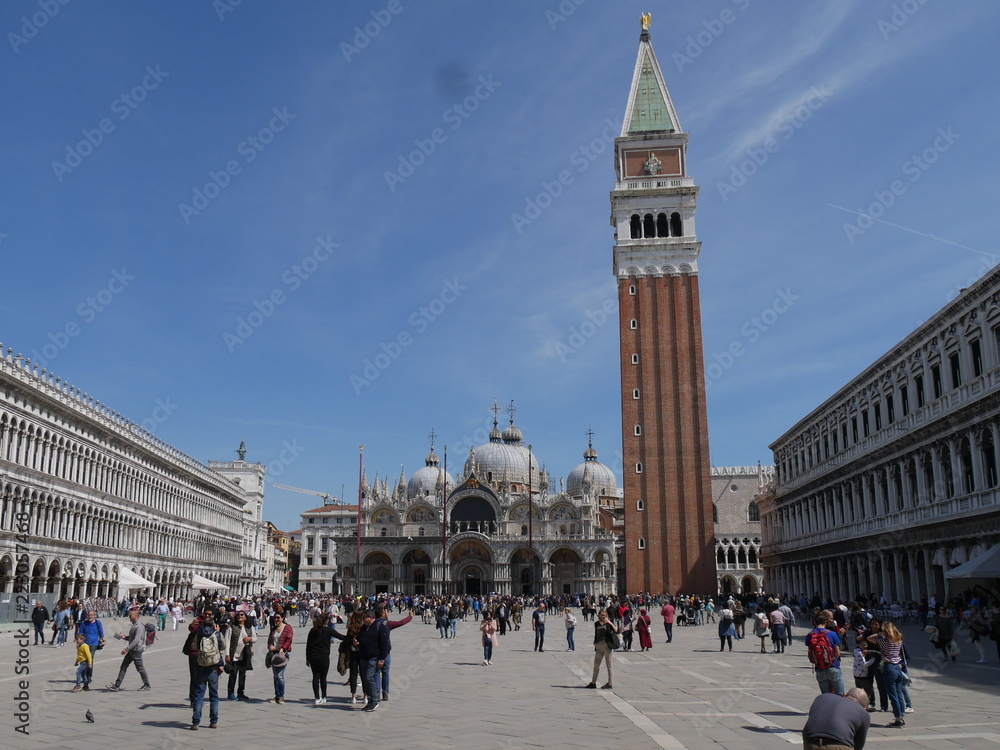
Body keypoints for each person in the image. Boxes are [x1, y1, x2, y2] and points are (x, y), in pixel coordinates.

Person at [801, 688, 871, 749]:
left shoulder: (822, 697)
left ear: (845, 695)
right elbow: (859, 743)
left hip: (811, 742)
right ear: (864, 707)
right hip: (839, 745)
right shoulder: (863, 712)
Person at [190, 610, 225, 730]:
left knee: (199, 695)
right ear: (213, 625)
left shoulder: (199, 634)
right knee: (214, 695)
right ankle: (213, 721)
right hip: (213, 668)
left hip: (201, 666)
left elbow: (194, 647)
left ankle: (196, 722)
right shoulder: (217, 634)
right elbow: (223, 646)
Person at [867, 621, 906, 727]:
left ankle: (898, 719)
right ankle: (901, 715)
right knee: (899, 693)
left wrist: (879, 634)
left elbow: (869, 638)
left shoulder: (884, 641)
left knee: (892, 695)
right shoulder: (898, 640)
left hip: (889, 668)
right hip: (898, 667)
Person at [106, 608, 151, 692]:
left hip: (136, 650)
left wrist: (126, 649)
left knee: (140, 668)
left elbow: (136, 640)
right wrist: (124, 637)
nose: (129, 616)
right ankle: (117, 685)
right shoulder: (134, 625)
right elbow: (132, 638)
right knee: (124, 666)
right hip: (132, 650)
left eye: (131, 615)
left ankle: (147, 684)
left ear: (136, 616)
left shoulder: (139, 626)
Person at [305, 612, 344, 705]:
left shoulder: (312, 630)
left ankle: (317, 697)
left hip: (313, 656)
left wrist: (307, 658)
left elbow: (308, 645)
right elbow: (341, 637)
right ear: (327, 621)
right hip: (324, 656)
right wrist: (352, 637)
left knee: (315, 676)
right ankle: (324, 696)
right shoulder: (328, 630)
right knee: (323, 677)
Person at [356, 610, 389, 712]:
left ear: (369, 617)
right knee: (365, 679)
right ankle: (370, 700)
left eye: (364, 618)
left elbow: (385, 645)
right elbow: (360, 638)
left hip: (373, 657)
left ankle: (374, 700)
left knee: (369, 677)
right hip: (363, 656)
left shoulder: (380, 627)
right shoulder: (364, 628)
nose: (362, 620)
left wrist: (382, 659)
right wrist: (357, 642)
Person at [807, 611, 845, 696]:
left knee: (826, 695)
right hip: (833, 666)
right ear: (825, 622)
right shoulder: (832, 634)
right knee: (840, 694)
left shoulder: (810, 635)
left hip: (819, 667)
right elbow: (837, 653)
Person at [225, 609, 257, 701]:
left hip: (245, 655)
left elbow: (255, 638)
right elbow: (227, 641)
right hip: (234, 654)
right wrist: (227, 654)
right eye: (238, 615)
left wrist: (250, 639)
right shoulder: (232, 627)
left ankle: (241, 692)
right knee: (233, 674)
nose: (240, 616)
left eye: (242, 615)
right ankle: (230, 693)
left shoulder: (249, 627)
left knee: (242, 674)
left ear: (245, 617)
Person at [585, 609, 618, 689]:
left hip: (607, 645)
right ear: (598, 615)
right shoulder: (596, 624)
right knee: (596, 665)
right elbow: (596, 633)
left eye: (604, 615)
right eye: (601, 615)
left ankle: (610, 683)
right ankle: (593, 682)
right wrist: (595, 642)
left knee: (609, 665)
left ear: (606, 615)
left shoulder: (609, 623)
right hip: (599, 645)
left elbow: (616, 630)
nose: (602, 616)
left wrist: (609, 622)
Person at [266, 611, 293, 704]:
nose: (276, 619)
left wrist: (283, 648)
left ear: (282, 618)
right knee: (275, 676)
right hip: (274, 654)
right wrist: (270, 646)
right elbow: (269, 640)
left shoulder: (287, 628)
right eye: (275, 618)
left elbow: (289, 640)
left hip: (283, 654)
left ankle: (281, 696)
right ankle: (276, 695)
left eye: (278, 617)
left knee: (280, 676)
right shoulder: (273, 629)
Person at [78, 610, 105, 684]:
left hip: (94, 643)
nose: (90, 616)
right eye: (89, 615)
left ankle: (89, 676)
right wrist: (79, 640)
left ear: (94, 615)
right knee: (84, 660)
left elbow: (100, 631)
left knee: (90, 659)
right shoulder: (84, 623)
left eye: (91, 615)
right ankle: (84, 676)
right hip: (85, 644)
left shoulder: (97, 623)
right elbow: (80, 632)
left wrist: (103, 638)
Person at [852, 642, 876, 710]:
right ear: (859, 644)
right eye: (863, 644)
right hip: (862, 675)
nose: (865, 646)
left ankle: (860, 704)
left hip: (856, 673)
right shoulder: (860, 653)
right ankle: (868, 704)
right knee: (868, 691)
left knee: (859, 689)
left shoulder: (855, 651)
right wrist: (872, 659)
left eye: (866, 644)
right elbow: (864, 664)